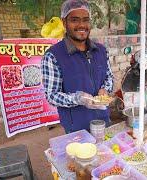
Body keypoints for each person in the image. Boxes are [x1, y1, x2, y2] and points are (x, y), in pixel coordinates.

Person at [41, 0, 114, 133]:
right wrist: (77, 98)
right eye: (75, 20)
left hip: (103, 120)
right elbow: (52, 95)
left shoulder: (101, 51)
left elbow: (109, 77)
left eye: (86, 20)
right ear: (64, 23)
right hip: (76, 128)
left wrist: (105, 89)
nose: (81, 25)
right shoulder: (53, 56)